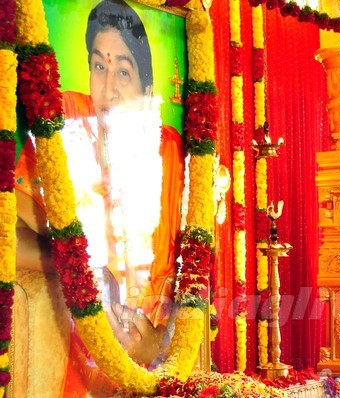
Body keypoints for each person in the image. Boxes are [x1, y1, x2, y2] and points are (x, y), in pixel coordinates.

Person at [15, 0, 185, 395]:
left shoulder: (167, 153)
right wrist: (78, 269)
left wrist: (157, 340)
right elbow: (8, 227)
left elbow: (188, 274)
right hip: (72, 347)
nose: (107, 88)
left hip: (148, 354)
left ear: (146, 88)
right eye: (99, 66)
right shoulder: (66, 123)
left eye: (123, 72)